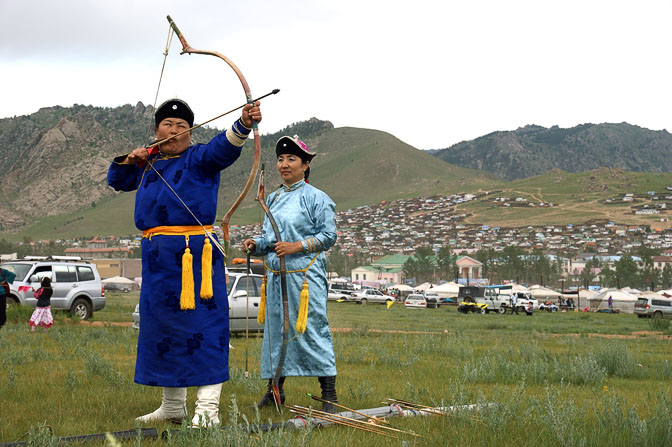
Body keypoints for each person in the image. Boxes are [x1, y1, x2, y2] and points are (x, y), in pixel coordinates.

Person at [107, 98, 262, 427]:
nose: (175, 130)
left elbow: (225, 147)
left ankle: (207, 409)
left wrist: (244, 123)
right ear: (156, 130)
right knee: (163, 331)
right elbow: (117, 180)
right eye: (168, 125)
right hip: (157, 263)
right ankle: (172, 405)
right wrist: (129, 158)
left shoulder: (199, 157)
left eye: (182, 127)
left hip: (196, 259)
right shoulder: (147, 162)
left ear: (190, 134)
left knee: (203, 330)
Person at [242, 135, 338, 413]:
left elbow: (329, 236)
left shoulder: (317, 198)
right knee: (276, 332)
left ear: (305, 165)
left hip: (305, 277)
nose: (284, 164)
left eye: (292, 159)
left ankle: (328, 393)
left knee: (312, 328)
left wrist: (297, 246)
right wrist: (255, 244)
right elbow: (268, 238)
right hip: (275, 276)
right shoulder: (271, 198)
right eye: (281, 159)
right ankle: (275, 392)